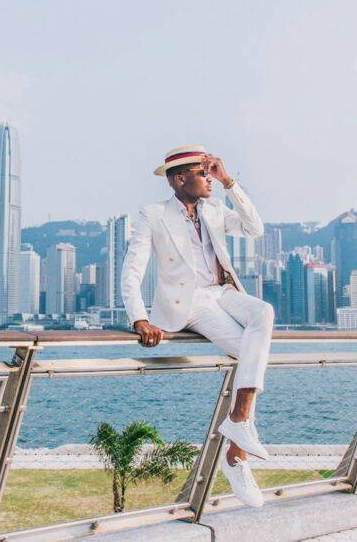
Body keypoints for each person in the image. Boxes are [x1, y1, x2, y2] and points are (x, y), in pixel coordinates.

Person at [121, 144, 274, 508]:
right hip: (190, 304)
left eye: (210, 171)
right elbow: (133, 267)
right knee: (251, 354)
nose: (208, 177)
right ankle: (236, 455)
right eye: (202, 172)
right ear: (179, 179)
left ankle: (237, 425)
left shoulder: (215, 209)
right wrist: (139, 317)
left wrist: (228, 181)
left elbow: (255, 228)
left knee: (263, 313)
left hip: (223, 293)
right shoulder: (154, 214)